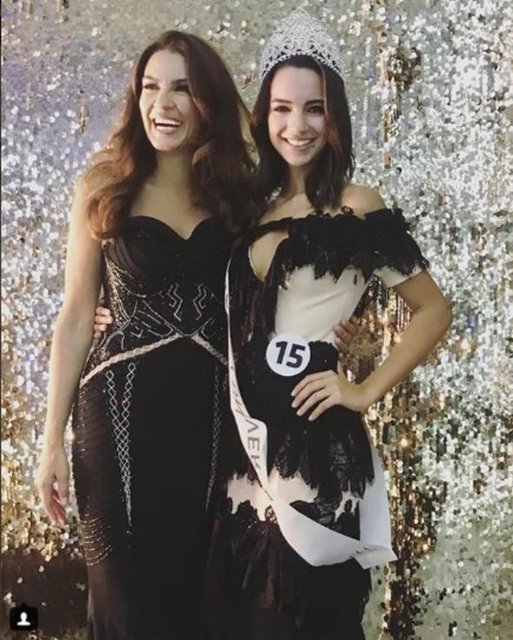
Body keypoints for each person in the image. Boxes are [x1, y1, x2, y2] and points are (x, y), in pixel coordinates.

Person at [210, 9, 452, 640]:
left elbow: (434, 311)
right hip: (243, 455)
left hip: (314, 451)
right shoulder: (248, 211)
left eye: (313, 109)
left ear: (335, 116)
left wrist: (364, 389)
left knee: (308, 617)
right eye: (282, 109)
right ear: (263, 116)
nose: (297, 126)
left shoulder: (358, 208)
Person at [35, 30, 256, 640]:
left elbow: (273, 297)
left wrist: (335, 320)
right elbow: (76, 316)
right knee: (125, 604)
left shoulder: (239, 192)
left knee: (199, 601)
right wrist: (50, 442)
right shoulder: (105, 183)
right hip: (114, 422)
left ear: (208, 101)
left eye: (182, 88)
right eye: (150, 87)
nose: (163, 103)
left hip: (212, 423)